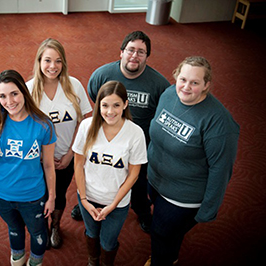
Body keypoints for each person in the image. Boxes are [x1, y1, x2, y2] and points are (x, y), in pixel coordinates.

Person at [71, 30, 170, 233]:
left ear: (147, 56)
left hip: (136, 142)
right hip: (104, 136)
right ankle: (87, 203)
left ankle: (142, 210)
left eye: (141, 52)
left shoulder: (159, 84)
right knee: (95, 169)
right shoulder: (102, 75)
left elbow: (163, 113)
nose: (135, 55)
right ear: (121, 52)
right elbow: (97, 99)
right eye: (130, 50)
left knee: (139, 181)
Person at [144, 56, 240, 266]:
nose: (186, 87)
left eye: (195, 82)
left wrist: (208, 209)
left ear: (206, 85)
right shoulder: (169, 94)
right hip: (155, 180)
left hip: (183, 196)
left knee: (160, 233)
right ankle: (171, 255)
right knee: (167, 232)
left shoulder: (219, 123)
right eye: (183, 79)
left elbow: (221, 169)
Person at [0, 70, 56, 266]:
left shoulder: (43, 124)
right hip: (1, 195)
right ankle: (17, 261)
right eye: (2, 96)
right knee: (14, 229)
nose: (9, 101)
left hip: (33, 197)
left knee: (38, 232)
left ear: (24, 92)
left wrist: (52, 196)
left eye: (14, 93)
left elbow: (49, 165)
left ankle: (35, 263)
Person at [26, 38, 92, 249]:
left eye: (58, 61)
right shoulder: (28, 89)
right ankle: (42, 227)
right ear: (38, 61)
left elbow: (86, 122)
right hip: (37, 159)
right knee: (40, 194)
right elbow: (23, 128)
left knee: (59, 194)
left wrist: (71, 154)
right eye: (47, 60)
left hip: (66, 156)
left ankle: (55, 226)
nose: (52, 66)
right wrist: (41, 157)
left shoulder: (74, 85)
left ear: (63, 63)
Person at [72, 81, 147, 266]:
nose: (110, 111)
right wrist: (83, 200)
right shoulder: (87, 126)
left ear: (125, 105)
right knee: (91, 233)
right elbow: (78, 163)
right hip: (88, 197)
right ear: (98, 105)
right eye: (105, 105)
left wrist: (113, 205)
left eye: (116, 105)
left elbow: (134, 174)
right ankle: (92, 261)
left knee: (108, 241)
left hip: (117, 203)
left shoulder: (135, 133)